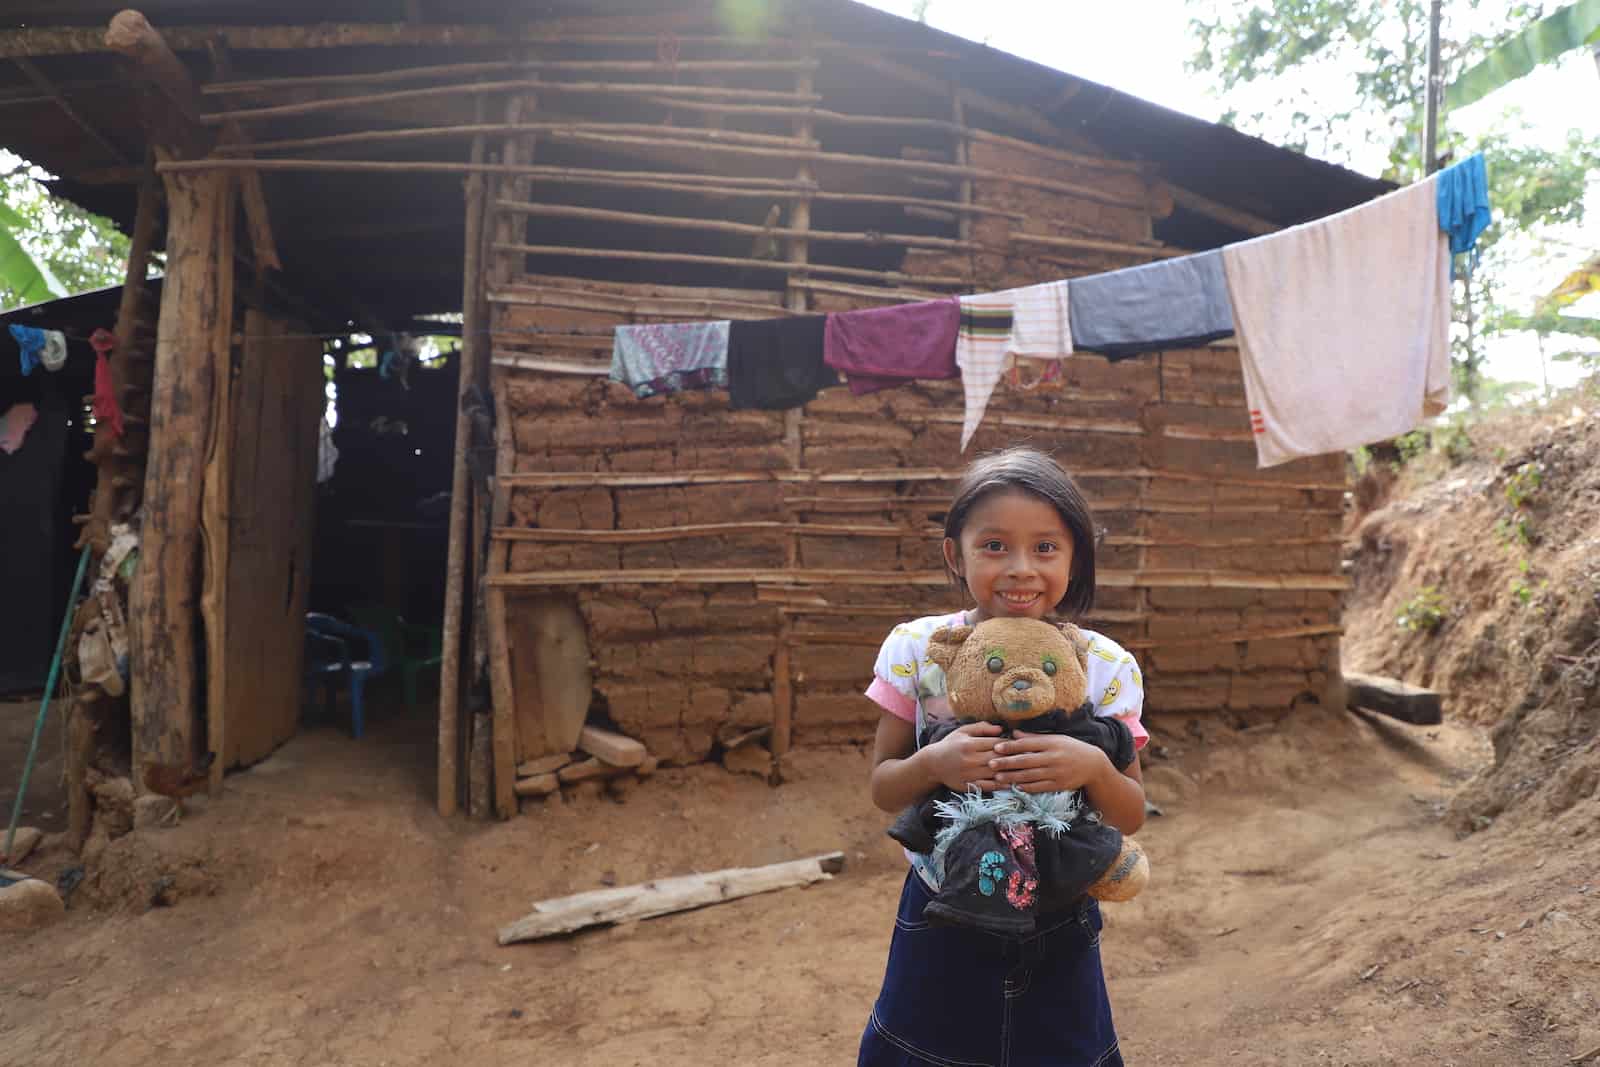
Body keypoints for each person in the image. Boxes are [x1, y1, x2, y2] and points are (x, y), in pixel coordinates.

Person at [858, 446, 1149, 1067]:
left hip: (1061, 913)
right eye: (994, 546)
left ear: (1075, 557)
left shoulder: (1103, 665)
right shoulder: (918, 648)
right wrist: (932, 765)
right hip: (943, 904)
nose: (1021, 569)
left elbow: (1130, 814)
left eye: (1046, 548)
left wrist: (1095, 767)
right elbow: (884, 787)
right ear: (953, 555)